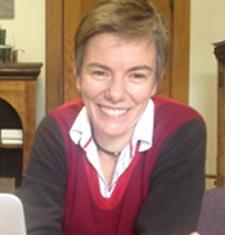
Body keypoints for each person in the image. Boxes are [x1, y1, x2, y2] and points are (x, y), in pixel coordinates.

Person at [19, 0, 206, 234]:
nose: (115, 94)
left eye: (136, 75)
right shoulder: (56, 130)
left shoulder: (182, 130)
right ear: (78, 76)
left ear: (155, 82)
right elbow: (37, 229)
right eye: (100, 72)